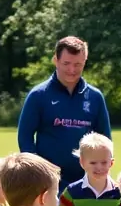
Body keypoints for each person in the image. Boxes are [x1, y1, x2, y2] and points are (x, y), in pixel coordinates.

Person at [17, 36, 112, 193]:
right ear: (55, 60)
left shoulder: (95, 97)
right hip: (48, 184)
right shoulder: (39, 95)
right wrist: (37, 171)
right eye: (66, 64)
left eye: (78, 64)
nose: (72, 70)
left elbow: (105, 139)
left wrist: (100, 171)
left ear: (85, 62)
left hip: (87, 182)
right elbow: (25, 137)